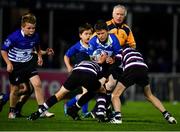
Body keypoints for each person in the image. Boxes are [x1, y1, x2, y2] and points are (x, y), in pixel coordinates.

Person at [27, 49, 109, 121]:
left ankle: (38, 112)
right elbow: (102, 80)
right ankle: (100, 115)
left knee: (59, 94)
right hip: (88, 75)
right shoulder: (101, 66)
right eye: (105, 55)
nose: (107, 57)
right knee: (102, 90)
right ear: (100, 56)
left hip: (75, 73)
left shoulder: (85, 61)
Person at [0, 12, 54, 119]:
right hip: (15, 65)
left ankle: (42, 110)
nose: (32, 30)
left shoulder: (35, 36)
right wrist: (8, 63)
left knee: (37, 84)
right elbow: (3, 50)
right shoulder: (14, 37)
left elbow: (36, 48)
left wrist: (40, 56)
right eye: (29, 28)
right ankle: (12, 111)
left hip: (28, 64)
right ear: (22, 27)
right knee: (17, 90)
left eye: (33, 28)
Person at [109, 46, 177, 124]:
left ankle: (117, 118)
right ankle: (167, 115)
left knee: (115, 95)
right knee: (149, 95)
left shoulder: (120, 51)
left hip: (131, 68)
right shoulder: (137, 52)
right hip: (143, 69)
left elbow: (117, 63)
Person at [63, 23, 93, 117]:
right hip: (80, 72)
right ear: (80, 35)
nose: (89, 36)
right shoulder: (77, 46)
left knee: (87, 92)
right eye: (86, 34)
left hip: (90, 72)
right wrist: (69, 67)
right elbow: (66, 56)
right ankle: (84, 112)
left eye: (90, 34)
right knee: (87, 92)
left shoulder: (94, 44)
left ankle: (69, 104)